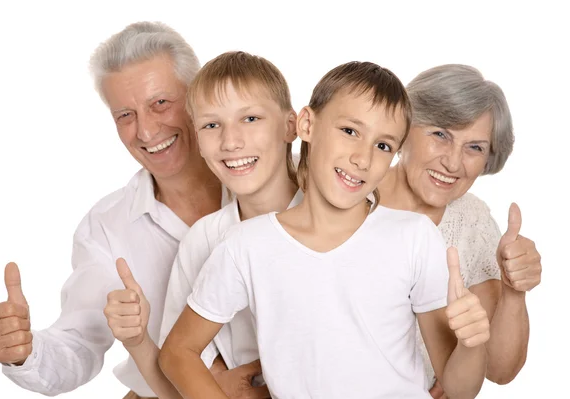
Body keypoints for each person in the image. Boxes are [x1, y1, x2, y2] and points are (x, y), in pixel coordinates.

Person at [160, 61, 491, 398]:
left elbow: (458, 390)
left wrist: (472, 345)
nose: (362, 159)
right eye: (350, 131)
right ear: (307, 124)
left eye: (383, 146)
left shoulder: (414, 237)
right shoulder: (247, 245)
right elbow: (177, 353)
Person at [0, 21, 261, 399]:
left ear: (197, 96)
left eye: (160, 103)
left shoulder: (274, 181)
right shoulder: (106, 227)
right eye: (125, 115)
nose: (146, 131)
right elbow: (78, 342)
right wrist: (25, 352)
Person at [104, 50, 302, 398]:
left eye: (251, 118)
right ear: (197, 137)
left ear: (291, 126)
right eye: (212, 125)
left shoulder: (334, 210)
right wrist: (136, 341)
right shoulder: (203, 241)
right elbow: (177, 367)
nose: (231, 141)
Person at [377, 64, 543, 398]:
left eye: (475, 147)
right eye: (441, 134)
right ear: (405, 126)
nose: (453, 163)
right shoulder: (348, 189)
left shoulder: (473, 220)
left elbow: (499, 370)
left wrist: (514, 292)